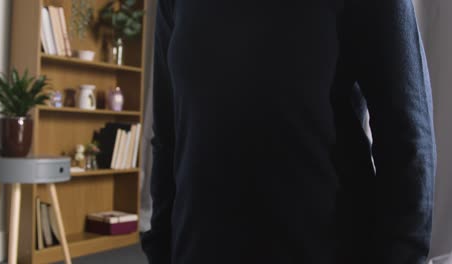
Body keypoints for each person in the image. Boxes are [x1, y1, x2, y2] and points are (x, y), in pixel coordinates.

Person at [141, 0, 436, 263]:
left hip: (324, 249)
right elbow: (168, 137)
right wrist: (160, 250)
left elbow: (409, 138)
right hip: (196, 250)